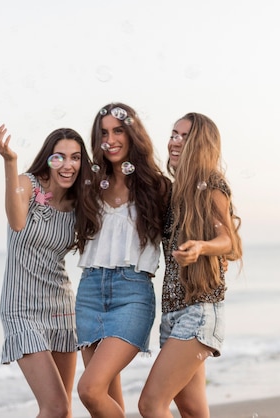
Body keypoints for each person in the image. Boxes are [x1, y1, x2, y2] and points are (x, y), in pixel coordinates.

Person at [137, 113, 243, 418]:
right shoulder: (174, 192)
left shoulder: (210, 185)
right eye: (173, 134)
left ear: (201, 144)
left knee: (151, 405)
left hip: (199, 311)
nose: (175, 141)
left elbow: (230, 243)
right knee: (193, 411)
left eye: (184, 136)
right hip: (173, 312)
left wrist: (201, 247)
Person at [0, 124, 99, 418]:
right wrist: (10, 162)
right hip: (21, 309)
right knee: (55, 406)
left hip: (61, 307)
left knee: (64, 411)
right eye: (59, 157)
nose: (68, 165)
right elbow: (16, 221)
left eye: (75, 158)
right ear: (47, 159)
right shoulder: (27, 184)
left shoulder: (81, 204)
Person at [75, 103, 171, 417]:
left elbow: (187, 228)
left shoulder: (157, 187)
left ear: (132, 133)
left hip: (132, 294)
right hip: (89, 293)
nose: (111, 138)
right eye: (103, 132)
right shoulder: (88, 185)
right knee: (102, 401)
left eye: (118, 130)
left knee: (89, 389)